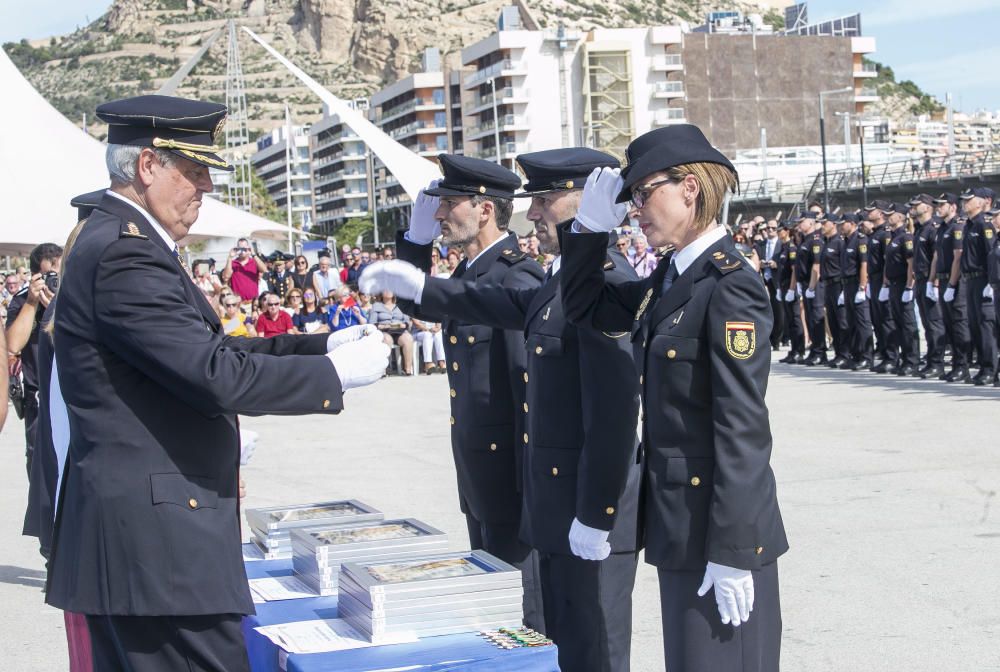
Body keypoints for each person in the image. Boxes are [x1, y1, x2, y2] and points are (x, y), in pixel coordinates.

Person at [45, 94, 390, 672]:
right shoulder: (126, 255)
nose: (205, 186)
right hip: (157, 549)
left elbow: (206, 349)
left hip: (149, 541)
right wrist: (333, 376)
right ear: (148, 166)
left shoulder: (125, 240)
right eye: (194, 170)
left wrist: (317, 344)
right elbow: (213, 374)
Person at [363, 147, 642, 672]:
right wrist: (414, 254)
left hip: (546, 493)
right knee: (549, 641)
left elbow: (599, 408)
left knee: (581, 642)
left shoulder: (592, 282)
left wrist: (589, 509)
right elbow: (435, 300)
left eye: (546, 198)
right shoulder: (554, 283)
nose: (533, 212)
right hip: (521, 489)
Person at [560, 124, 786, 672]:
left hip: (716, 532)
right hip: (679, 527)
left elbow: (742, 427)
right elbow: (585, 309)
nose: (635, 209)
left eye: (643, 193)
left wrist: (733, 550)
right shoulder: (671, 276)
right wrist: (587, 231)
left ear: (689, 188)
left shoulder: (729, 283)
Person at [392, 153, 546, 630]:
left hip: (510, 480)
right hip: (481, 472)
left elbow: (529, 392)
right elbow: (417, 299)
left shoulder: (515, 276)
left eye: (449, 203)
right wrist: (415, 243)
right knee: (494, 605)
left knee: (522, 613)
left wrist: (528, 488)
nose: (440, 215)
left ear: (484, 209)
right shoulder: (470, 273)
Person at [6, 241, 63, 476]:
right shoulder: (22, 300)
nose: (52, 280)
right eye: (47, 275)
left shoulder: (71, 294)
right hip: (37, 399)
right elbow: (12, 344)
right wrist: (31, 302)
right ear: (34, 275)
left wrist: (56, 312)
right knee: (40, 472)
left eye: (57, 274)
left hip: (70, 395)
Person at [958, 187, 997, 385]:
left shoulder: (984, 224)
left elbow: (991, 255)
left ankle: (990, 368)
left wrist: (990, 282)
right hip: (970, 280)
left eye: (969, 200)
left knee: (985, 326)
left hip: (982, 279)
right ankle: (983, 366)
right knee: (974, 325)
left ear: (983, 202)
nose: (965, 203)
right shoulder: (969, 225)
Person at [933, 193, 972, 382]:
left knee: (959, 325)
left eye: (942, 205)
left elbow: (958, 257)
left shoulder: (957, 227)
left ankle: (963, 366)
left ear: (953, 207)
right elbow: (937, 257)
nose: (938, 208)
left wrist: (951, 284)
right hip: (943, 280)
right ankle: (956, 364)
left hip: (954, 281)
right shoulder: (942, 228)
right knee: (949, 325)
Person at [908, 194, 946, 378]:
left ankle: (937, 363)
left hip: (929, 280)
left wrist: (934, 282)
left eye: (918, 204)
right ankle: (931, 360)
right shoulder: (919, 229)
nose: (914, 207)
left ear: (928, 207)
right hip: (921, 280)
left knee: (934, 323)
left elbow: (937, 257)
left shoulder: (933, 228)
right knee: (927, 323)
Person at [882, 202, 920, 375]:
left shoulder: (906, 237)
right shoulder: (893, 237)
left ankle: (912, 361)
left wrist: (909, 286)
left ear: (900, 217)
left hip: (903, 284)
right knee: (897, 324)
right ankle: (904, 359)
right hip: (894, 285)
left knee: (908, 325)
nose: (888, 217)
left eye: (891, 214)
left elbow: (911, 263)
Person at [864, 201, 899, 373]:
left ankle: (892, 357)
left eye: (872, 211)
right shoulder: (874, 234)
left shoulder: (885, 233)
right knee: (878, 321)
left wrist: (885, 283)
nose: (869, 213)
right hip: (874, 280)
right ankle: (885, 354)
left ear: (880, 213)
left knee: (886, 320)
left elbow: (887, 261)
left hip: (882, 280)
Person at [838, 213, 874, 370]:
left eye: (843, 223)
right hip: (847, 285)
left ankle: (867, 356)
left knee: (862, 322)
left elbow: (864, 265)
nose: (840, 226)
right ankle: (856, 355)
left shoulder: (860, 240)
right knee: (851, 322)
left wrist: (862, 287)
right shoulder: (846, 241)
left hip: (857, 284)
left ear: (852, 223)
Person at [795, 211, 827, 365]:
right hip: (805, 283)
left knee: (816, 317)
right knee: (809, 318)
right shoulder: (804, 240)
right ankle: (815, 349)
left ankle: (820, 352)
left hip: (814, 284)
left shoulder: (815, 240)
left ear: (810, 222)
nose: (800, 224)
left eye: (802, 221)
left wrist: (812, 287)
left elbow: (816, 265)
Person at [818, 213, 849, 368]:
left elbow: (844, 265)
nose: (822, 226)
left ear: (833, 224)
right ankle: (838, 353)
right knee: (833, 322)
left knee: (842, 321)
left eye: (825, 223)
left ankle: (845, 353)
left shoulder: (839, 243)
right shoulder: (826, 242)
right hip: (828, 285)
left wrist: (843, 289)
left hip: (838, 284)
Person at [777, 222, 806, 363]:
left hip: (790, 287)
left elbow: (794, 270)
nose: (778, 232)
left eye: (780, 230)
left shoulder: (792, 248)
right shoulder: (783, 247)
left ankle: (799, 350)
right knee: (789, 320)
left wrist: (791, 289)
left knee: (795, 319)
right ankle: (793, 349)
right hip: (783, 287)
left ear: (787, 231)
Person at [368, 290, 414, 374]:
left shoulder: (400, 305)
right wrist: (383, 326)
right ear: (381, 293)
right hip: (384, 330)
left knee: (408, 338)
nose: (389, 292)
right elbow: (372, 323)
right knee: (386, 339)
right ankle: (383, 370)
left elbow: (407, 322)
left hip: (399, 330)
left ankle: (408, 369)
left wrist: (405, 325)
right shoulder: (376, 306)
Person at [756, 219, 784, 350]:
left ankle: (777, 339)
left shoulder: (782, 244)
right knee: (767, 310)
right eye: (768, 228)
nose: (770, 230)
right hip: (764, 279)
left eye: (773, 228)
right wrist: (760, 264)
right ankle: (768, 338)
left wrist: (776, 264)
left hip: (777, 279)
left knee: (779, 311)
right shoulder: (761, 245)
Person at [221, 238, 266, 304]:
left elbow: (264, 270)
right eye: (240, 249)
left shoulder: (254, 261)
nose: (242, 251)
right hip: (238, 302)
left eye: (244, 249)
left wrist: (253, 254)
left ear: (248, 249)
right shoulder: (233, 263)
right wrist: (230, 257)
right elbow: (226, 277)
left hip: (253, 303)